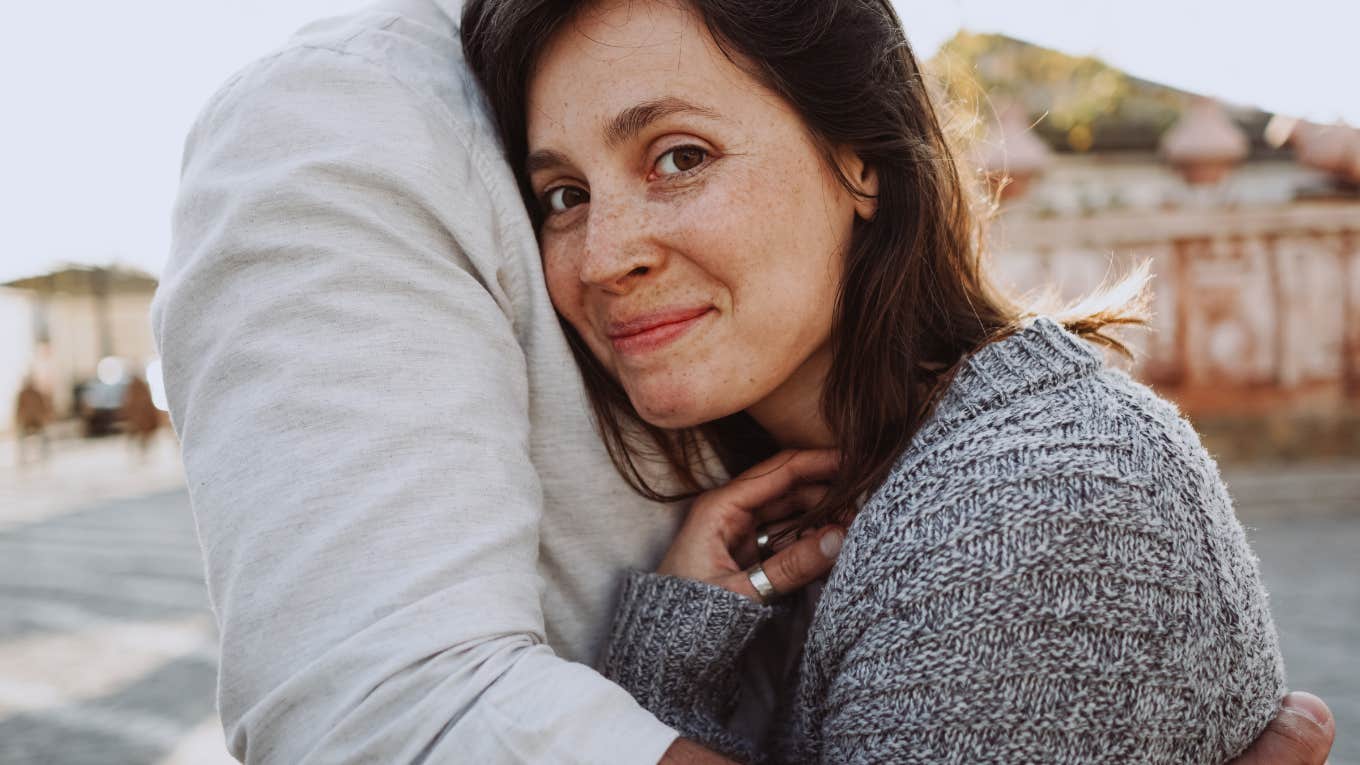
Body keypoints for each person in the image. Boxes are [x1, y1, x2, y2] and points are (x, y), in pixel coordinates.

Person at [154, 0, 1334, 762]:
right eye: (562, 194)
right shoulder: (881, 478)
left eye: (678, 157)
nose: (601, 252)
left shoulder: (1028, 504)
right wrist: (680, 635)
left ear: (857, 158)